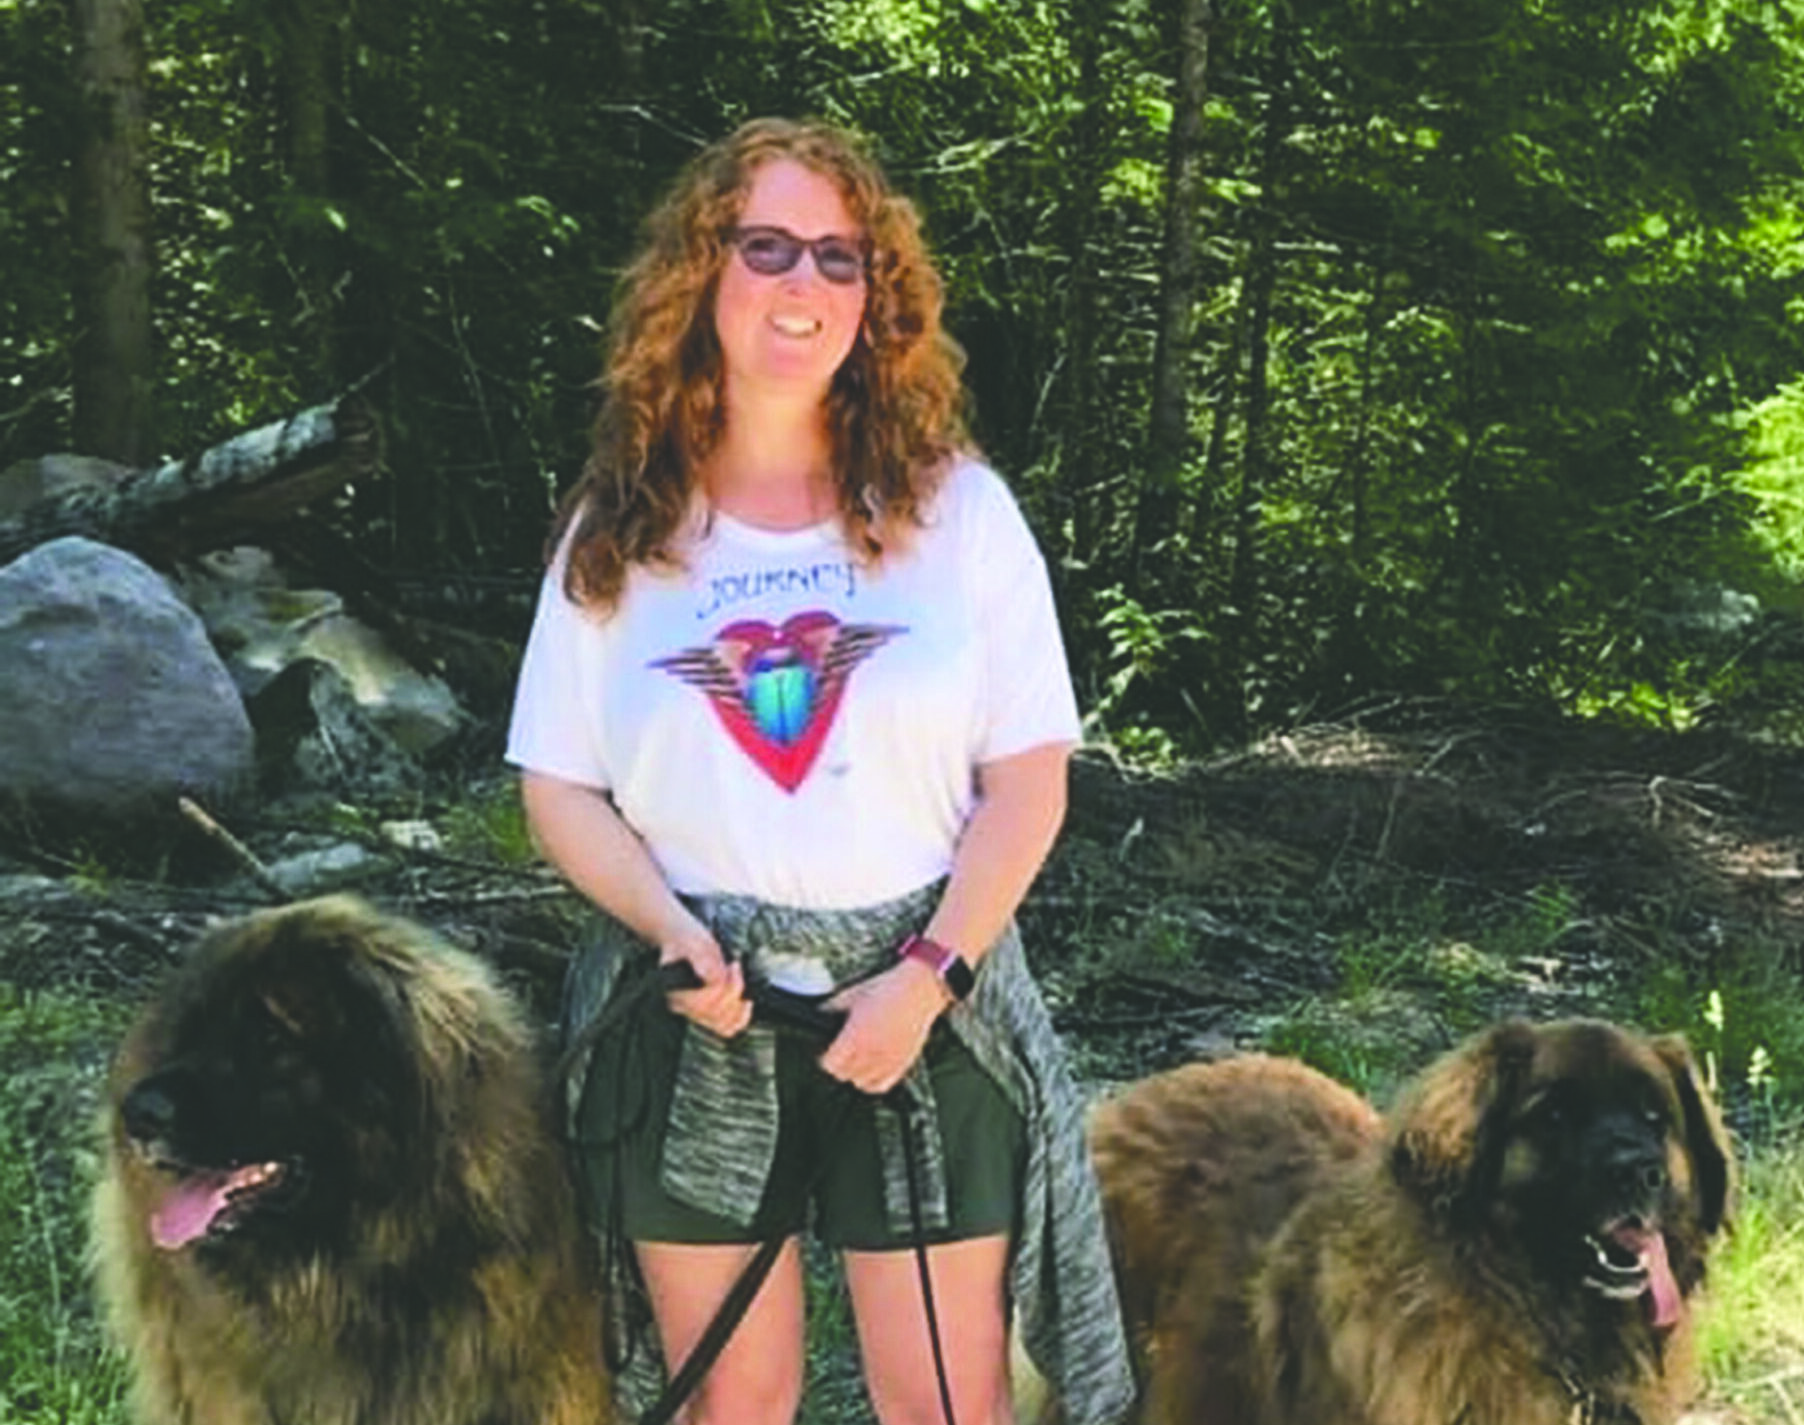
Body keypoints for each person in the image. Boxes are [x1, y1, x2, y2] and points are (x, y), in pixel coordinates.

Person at [506, 116, 1133, 1425]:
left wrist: (929, 975)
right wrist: (668, 929)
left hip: (923, 1006)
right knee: (729, 1405)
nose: (806, 286)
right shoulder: (617, 528)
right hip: (698, 1018)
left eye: (840, 259)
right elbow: (559, 783)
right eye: (770, 247)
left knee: (945, 1403)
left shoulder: (957, 516)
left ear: (877, 296)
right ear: (702, 275)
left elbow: (1029, 779)